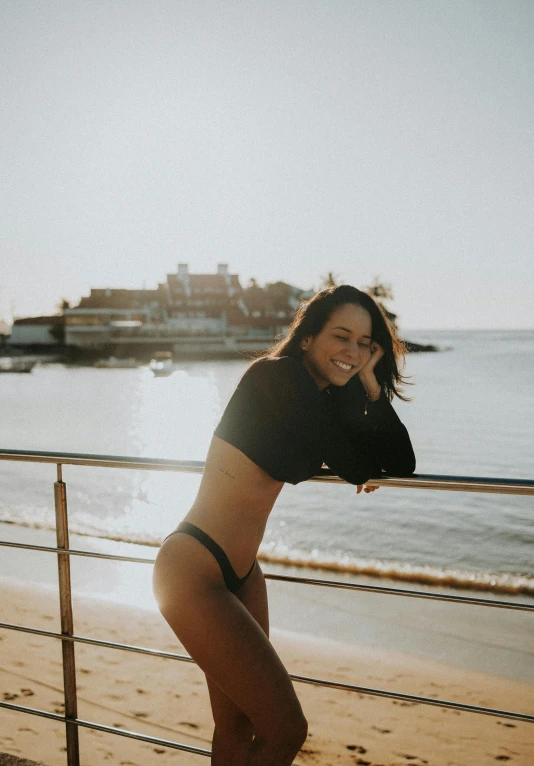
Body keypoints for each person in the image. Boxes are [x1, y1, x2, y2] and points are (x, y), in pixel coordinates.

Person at [152, 284, 416, 766]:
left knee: (238, 726)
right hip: (194, 569)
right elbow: (358, 465)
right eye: (341, 336)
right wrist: (359, 456)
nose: (353, 352)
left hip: (244, 573)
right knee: (287, 728)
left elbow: (401, 460)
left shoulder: (325, 398)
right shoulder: (275, 378)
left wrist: (373, 382)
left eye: (365, 343)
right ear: (308, 337)